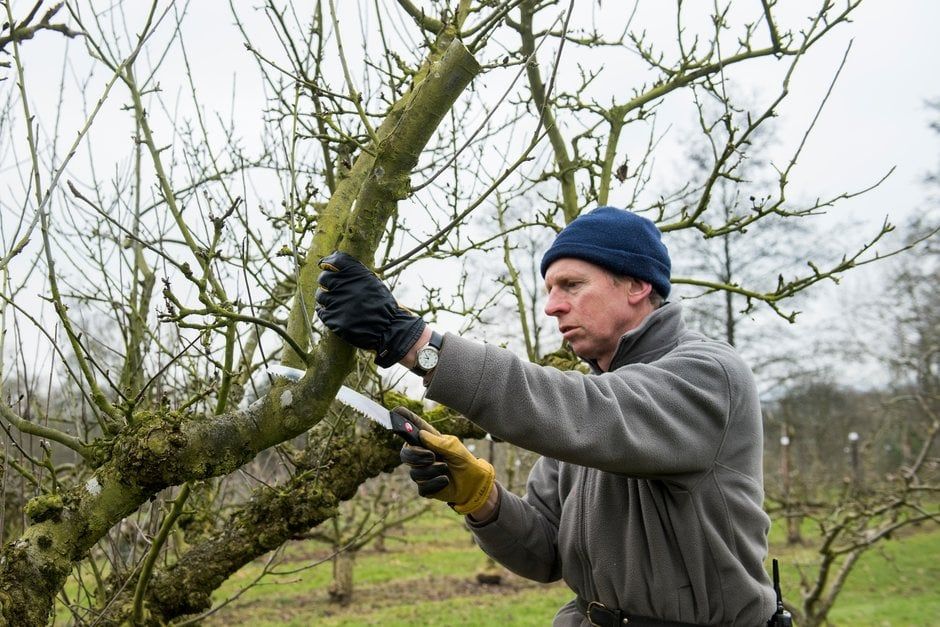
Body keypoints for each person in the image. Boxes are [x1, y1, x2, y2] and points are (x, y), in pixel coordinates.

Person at [315, 206, 778, 626]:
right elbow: (544, 555)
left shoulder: (707, 375)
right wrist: (482, 500)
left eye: (572, 286)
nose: (553, 306)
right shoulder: (586, 411)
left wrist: (418, 346)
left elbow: (590, 413)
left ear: (638, 284)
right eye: (550, 290)